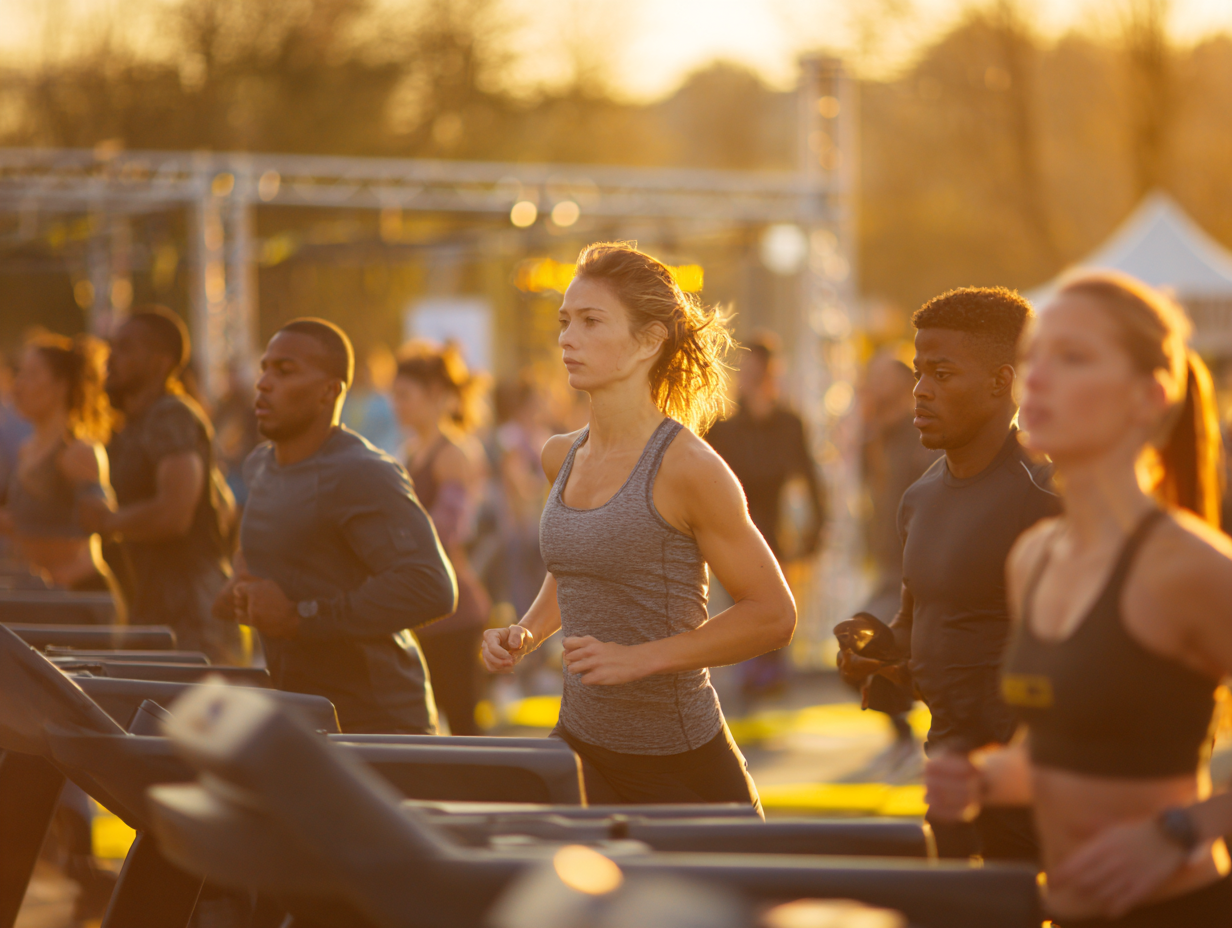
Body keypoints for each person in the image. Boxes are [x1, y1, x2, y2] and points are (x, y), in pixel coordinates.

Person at [926, 272, 1232, 926]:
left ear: (1148, 397)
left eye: (1073, 358)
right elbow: (1053, 754)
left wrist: (1177, 830)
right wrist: (983, 778)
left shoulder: (1188, 567)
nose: (1037, 377)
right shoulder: (1035, 558)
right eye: (1036, 355)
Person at [481, 242, 796, 809]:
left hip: (683, 767)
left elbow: (773, 615)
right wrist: (526, 633)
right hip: (580, 750)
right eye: (564, 322)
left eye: (590, 322)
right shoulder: (560, 455)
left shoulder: (690, 469)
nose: (566, 339)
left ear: (649, 340)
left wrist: (641, 658)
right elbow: (578, 565)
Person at [838, 286, 1059, 861]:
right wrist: (876, 646)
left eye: (941, 373)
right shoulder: (919, 497)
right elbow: (923, 624)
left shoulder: (1045, 498)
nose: (920, 391)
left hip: (1032, 785)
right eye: (917, 373)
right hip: (947, 773)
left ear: (1000, 381)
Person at [215, 318, 456, 735]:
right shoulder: (260, 465)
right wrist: (237, 594)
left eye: (285, 371)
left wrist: (299, 617)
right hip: (303, 712)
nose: (264, 383)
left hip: (379, 723)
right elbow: (284, 573)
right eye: (264, 368)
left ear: (330, 390)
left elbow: (430, 586)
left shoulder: (362, 473)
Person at [79, 308, 240, 661]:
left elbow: (174, 514)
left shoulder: (171, 414)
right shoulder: (132, 425)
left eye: (125, 349)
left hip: (193, 621)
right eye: (111, 347)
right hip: (150, 612)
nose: (111, 359)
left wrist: (109, 521)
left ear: (159, 362)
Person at [704, 332, 825, 697]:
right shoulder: (723, 427)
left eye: (763, 372)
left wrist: (817, 526)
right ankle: (753, 675)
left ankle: (771, 673)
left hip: (777, 528)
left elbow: (809, 475)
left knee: (775, 601)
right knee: (743, 604)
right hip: (733, 531)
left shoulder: (789, 422)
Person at [392, 341, 492, 736]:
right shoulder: (411, 451)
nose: (396, 405)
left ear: (435, 396)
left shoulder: (453, 453)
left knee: (464, 724)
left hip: (455, 610)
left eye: (404, 395)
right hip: (424, 607)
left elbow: (445, 529)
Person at [854, 351, 940, 769]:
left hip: (920, 568)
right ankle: (906, 736)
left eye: (880, 377)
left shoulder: (923, 434)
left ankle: (928, 740)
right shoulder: (874, 436)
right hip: (889, 565)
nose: (871, 382)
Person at [0, 333, 122, 602]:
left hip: (82, 597)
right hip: (39, 596)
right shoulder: (25, 450)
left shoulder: (78, 452)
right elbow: (27, 521)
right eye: (19, 374)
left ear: (61, 386)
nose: (18, 385)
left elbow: (104, 522)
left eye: (31, 375)